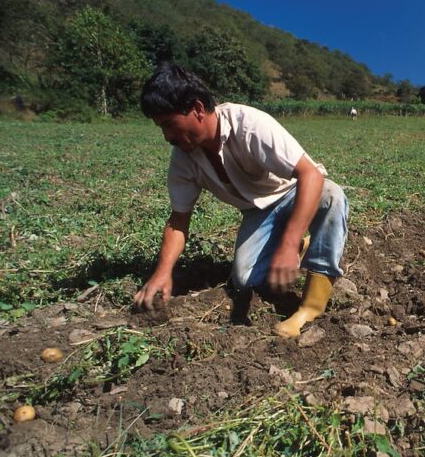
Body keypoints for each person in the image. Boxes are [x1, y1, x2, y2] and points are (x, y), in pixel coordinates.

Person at [134, 63, 349, 339]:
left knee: (332, 196)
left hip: (294, 192)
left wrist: (286, 244)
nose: (167, 137)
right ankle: (299, 245)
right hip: (258, 212)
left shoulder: (248, 124)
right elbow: (179, 220)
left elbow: (310, 174)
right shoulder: (184, 159)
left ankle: (310, 307)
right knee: (246, 280)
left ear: (198, 109)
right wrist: (162, 272)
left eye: (169, 124)